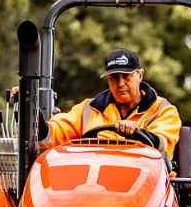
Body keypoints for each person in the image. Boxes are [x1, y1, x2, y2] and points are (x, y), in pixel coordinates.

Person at [37, 48, 183, 159]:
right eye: (114, 77)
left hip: (147, 183)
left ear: (140, 75)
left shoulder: (163, 110)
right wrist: (34, 114)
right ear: (108, 79)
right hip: (95, 183)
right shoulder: (89, 109)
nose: (120, 83)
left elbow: (162, 145)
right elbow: (55, 133)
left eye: (126, 76)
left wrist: (137, 133)